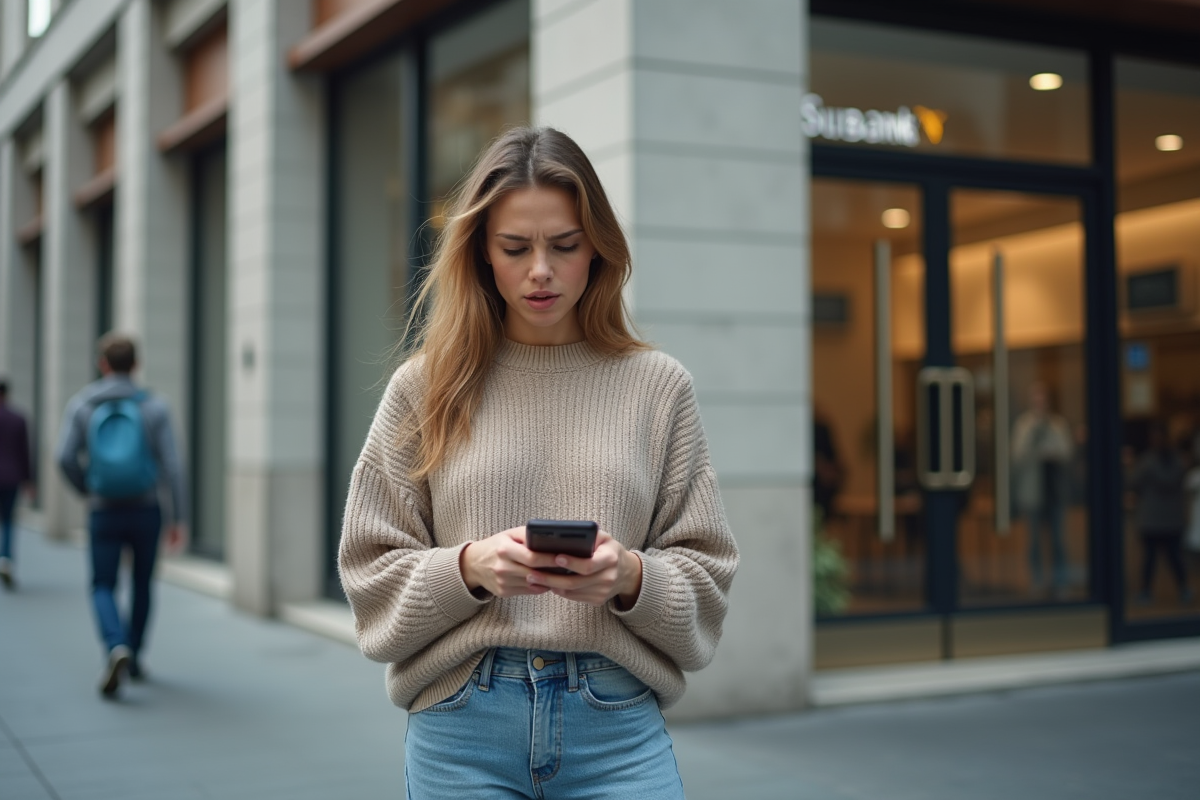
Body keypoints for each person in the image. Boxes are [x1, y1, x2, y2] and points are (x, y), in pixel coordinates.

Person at [338, 127, 739, 799]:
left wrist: (629, 575)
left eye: (565, 245)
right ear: (482, 256)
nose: (541, 270)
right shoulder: (424, 386)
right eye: (515, 248)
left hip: (615, 721)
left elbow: (708, 582)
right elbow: (368, 573)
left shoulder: (659, 387)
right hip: (462, 722)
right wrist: (469, 568)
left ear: (598, 250)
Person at [56, 333, 187, 697]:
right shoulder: (154, 406)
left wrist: (87, 488)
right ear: (136, 364)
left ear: (102, 364)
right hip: (146, 509)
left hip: (104, 510)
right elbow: (174, 466)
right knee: (143, 583)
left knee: (102, 584)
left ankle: (115, 645)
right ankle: (136, 655)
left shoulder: (82, 405)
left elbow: (63, 457)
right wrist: (179, 518)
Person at [1011, 382, 1073, 596]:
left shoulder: (1058, 424)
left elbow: (1066, 453)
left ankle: (1061, 582)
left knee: (1058, 540)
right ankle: (1036, 581)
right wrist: (1034, 438)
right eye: (1036, 401)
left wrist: (1052, 450)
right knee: (1034, 541)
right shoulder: (1024, 425)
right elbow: (1017, 456)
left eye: (1043, 400)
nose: (1039, 405)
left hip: (1054, 491)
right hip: (1032, 492)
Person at [1129, 421, 1191, 604]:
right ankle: (1184, 589)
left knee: (1150, 560)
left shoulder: (1147, 462)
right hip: (1173, 518)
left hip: (1152, 518)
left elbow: (1133, 483)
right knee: (1175, 558)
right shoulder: (1179, 460)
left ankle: (1146, 592)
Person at [0, 378, 34, 590]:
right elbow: (25, 452)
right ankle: (6, 560)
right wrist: (29, 480)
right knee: (9, 521)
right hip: (12, 477)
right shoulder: (18, 418)